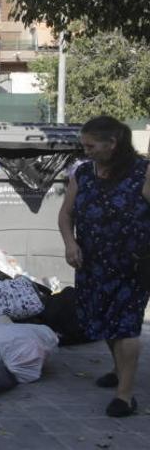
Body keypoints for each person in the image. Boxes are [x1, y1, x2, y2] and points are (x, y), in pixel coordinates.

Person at [58, 115, 150, 417]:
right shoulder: (83, 174)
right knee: (104, 320)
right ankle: (118, 369)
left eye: (90, 145)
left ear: (112, 143)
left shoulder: (142, 173)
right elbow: (66, 214)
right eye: (83, 145)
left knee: (126, 325)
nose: (85, 151)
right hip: (93, 263)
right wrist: (71, 244)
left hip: (132, 266)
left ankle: (125, 396)